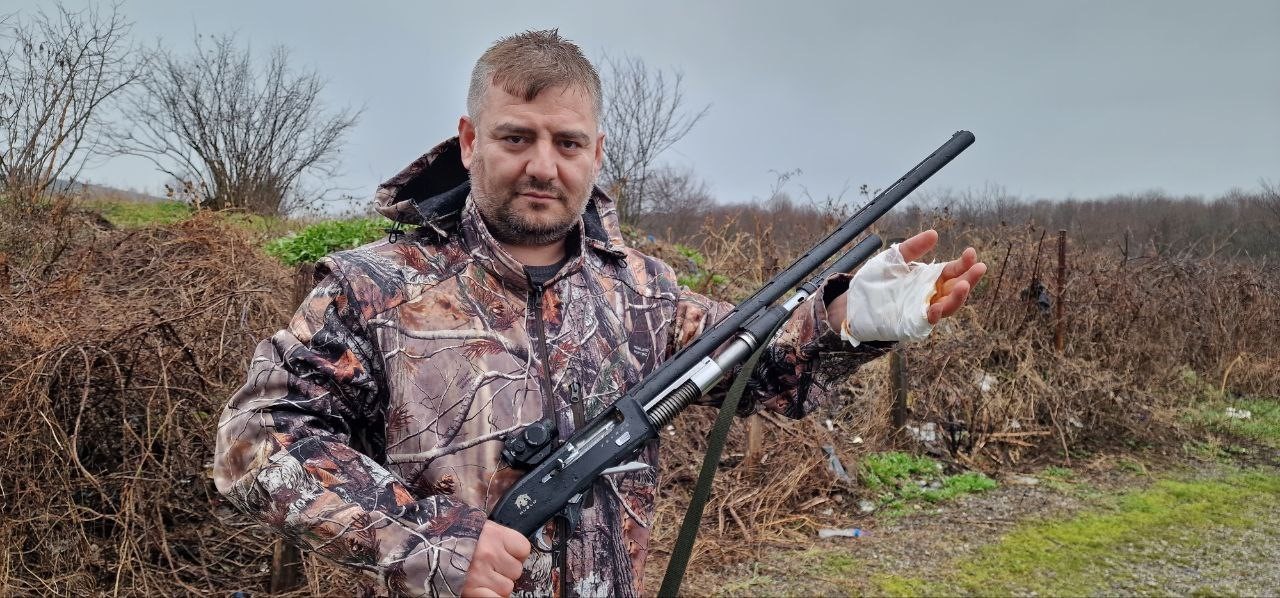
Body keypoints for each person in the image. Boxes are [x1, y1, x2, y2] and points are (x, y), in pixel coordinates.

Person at [213, 29, 985, 598]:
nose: (542, 166)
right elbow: (256, 443)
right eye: (516, 137)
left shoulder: (644, 292)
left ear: (598, 151)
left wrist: (850, 315)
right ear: (470, 140)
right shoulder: (373, 286)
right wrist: (433, 544)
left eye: (568, 143)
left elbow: (758, 366)